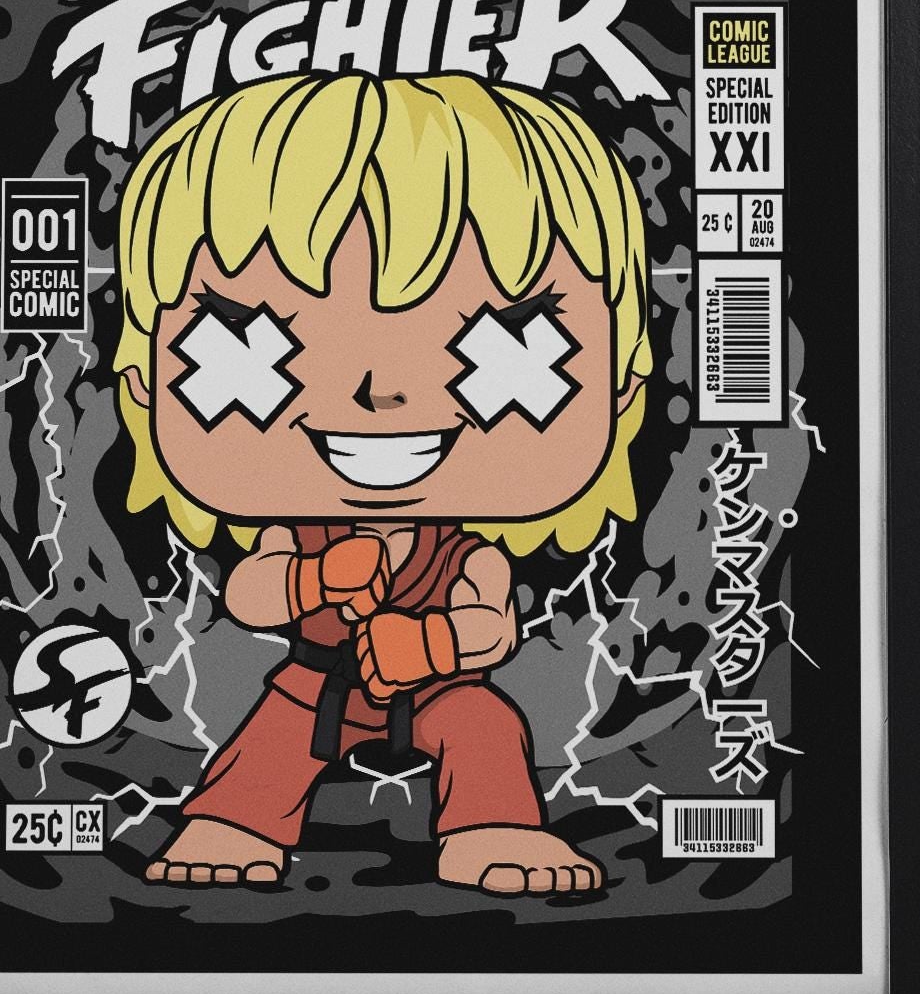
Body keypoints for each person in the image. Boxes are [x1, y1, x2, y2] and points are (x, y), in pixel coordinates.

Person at [112, 72, 650, 896]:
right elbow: (251, 594)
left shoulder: (466, 549)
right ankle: (236, 822)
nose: (379, 394)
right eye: (268, 336)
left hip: (441, 689)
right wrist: (316, 579)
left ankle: (494, 828)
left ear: (618, 383)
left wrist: (431, 646)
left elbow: (491, 629)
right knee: (275, 734)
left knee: (486, 724)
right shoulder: (301, 529)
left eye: (498, 336)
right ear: (147, 381)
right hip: (320, 682)